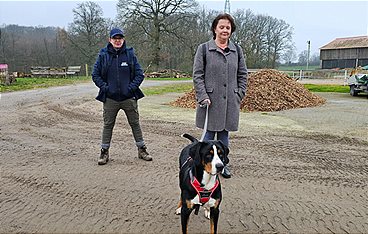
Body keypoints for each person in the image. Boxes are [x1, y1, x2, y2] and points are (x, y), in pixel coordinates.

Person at [192, 14, 248, 178]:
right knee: (208, 136)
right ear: (215, 29)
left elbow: (243, 74)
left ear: (231, 31)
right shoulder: (204, 49)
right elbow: (197, 75)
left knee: (224, 136)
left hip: (230, 101)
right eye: (221, 27)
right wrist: (202, 95)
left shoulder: (237, 50)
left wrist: (239, 93)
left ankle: (222, 166)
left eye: (228, 27)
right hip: (210, 101)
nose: (225, 30)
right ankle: (202, 166)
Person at [92, 28, 152, 165]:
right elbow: (95, 75)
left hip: (128, 98)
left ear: (123, 40)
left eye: (120, 38)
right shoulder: (103, 55)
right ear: (110, 40)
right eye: (115, 38)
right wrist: (106, 88)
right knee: (108, 125)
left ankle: (142, 150)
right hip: (110, 99)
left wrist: (130, 89)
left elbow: (139, 74)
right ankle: (104, 152)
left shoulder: (130, 55)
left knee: (135, 124)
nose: (117, 41)